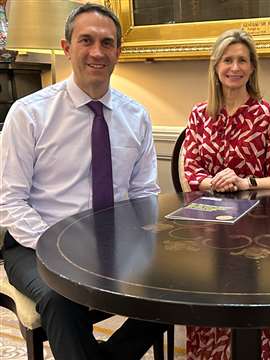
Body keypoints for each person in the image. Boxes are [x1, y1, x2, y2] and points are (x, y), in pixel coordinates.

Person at [0, 4, 168, 360]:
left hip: (113, 243)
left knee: (171, 288)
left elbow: (144, 194)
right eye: (86, 41)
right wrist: (58, 248)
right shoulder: (29, 114)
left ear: (118, 52)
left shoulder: (136, 116)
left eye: (107, 43)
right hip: (35, 245)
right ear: (66, 47)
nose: (97, 52)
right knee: (62, 299)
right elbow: (9, 201)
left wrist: (147, 244)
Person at [182, 29, 270, 359]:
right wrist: (215, 183)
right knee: (205, 292)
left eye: (242, 60)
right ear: (216, 66)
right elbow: (191, 173)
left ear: (252, 68)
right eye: (228, 60)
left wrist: (244, 182)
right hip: (208, 222)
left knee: (251, 297)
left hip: (258, 225)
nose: (235, 67)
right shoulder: (198, 114)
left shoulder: (268, 114)